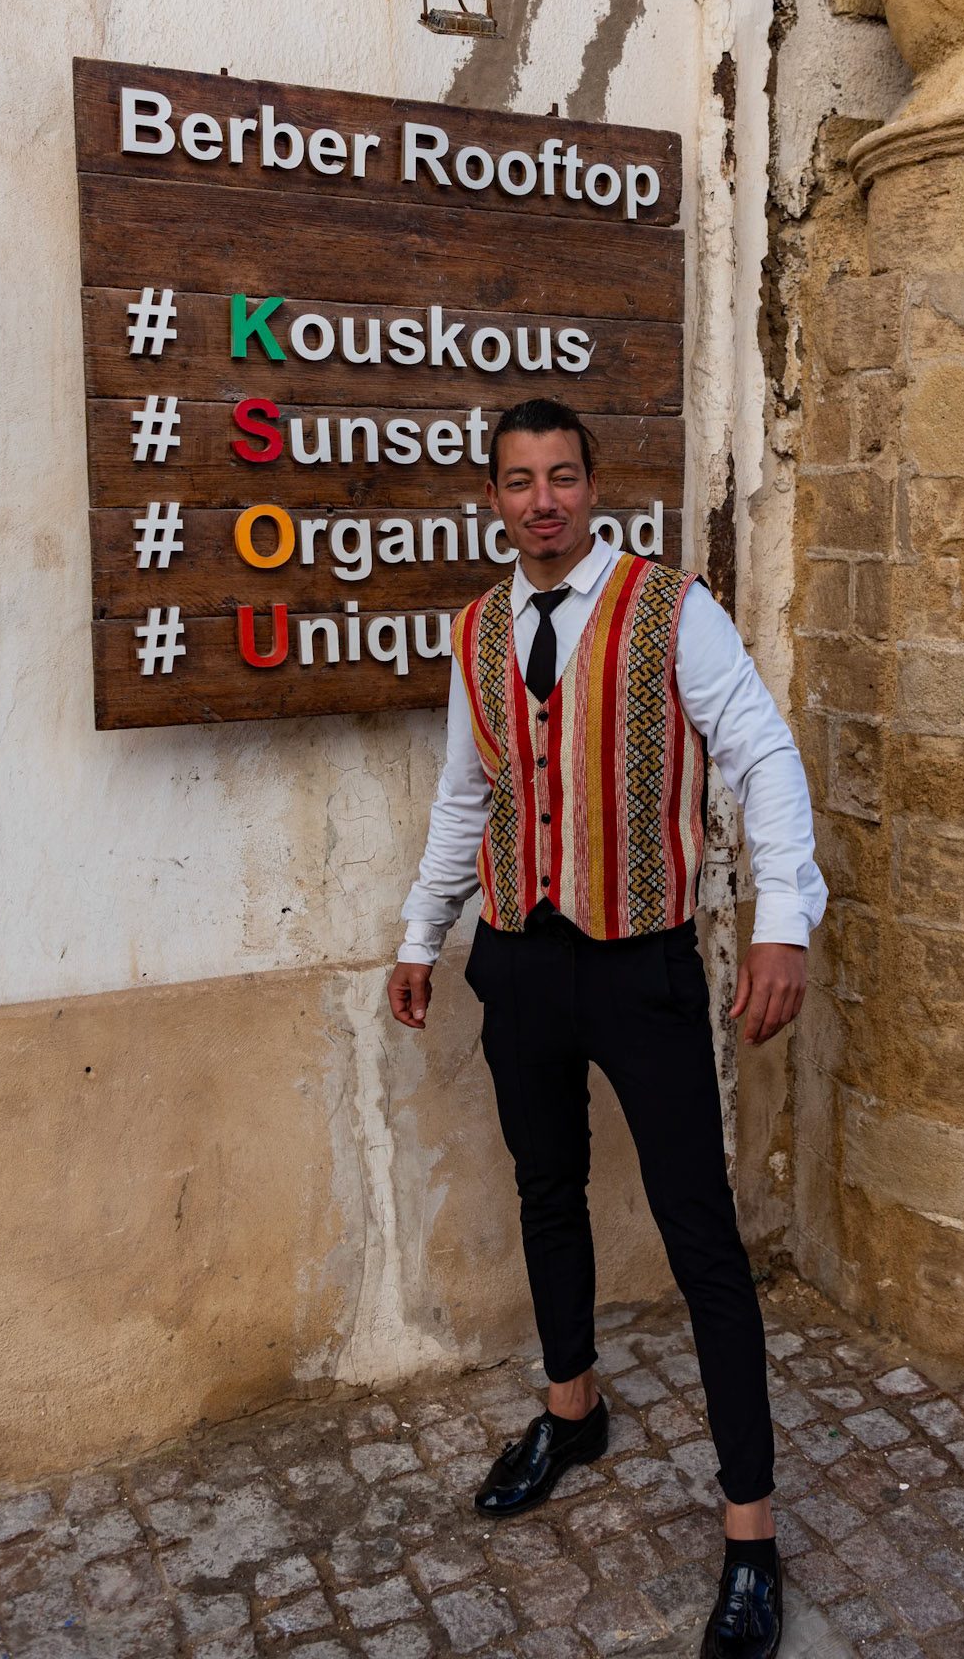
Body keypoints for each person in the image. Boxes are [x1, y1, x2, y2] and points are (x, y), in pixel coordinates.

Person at [389, 397, 825, 1659]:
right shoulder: (474, 628)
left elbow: (760, 757)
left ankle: (749, 1530)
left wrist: (783, 920)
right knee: (545, 1188)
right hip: (518, 959)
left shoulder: (669, 607)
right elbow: (464, 795)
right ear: (494, 496)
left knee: (702, 1239)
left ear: (593, 486)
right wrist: (423, 936)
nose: (542, 500)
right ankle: (569, 1404)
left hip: (640, 964)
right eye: (519, 480)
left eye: (562, 477)